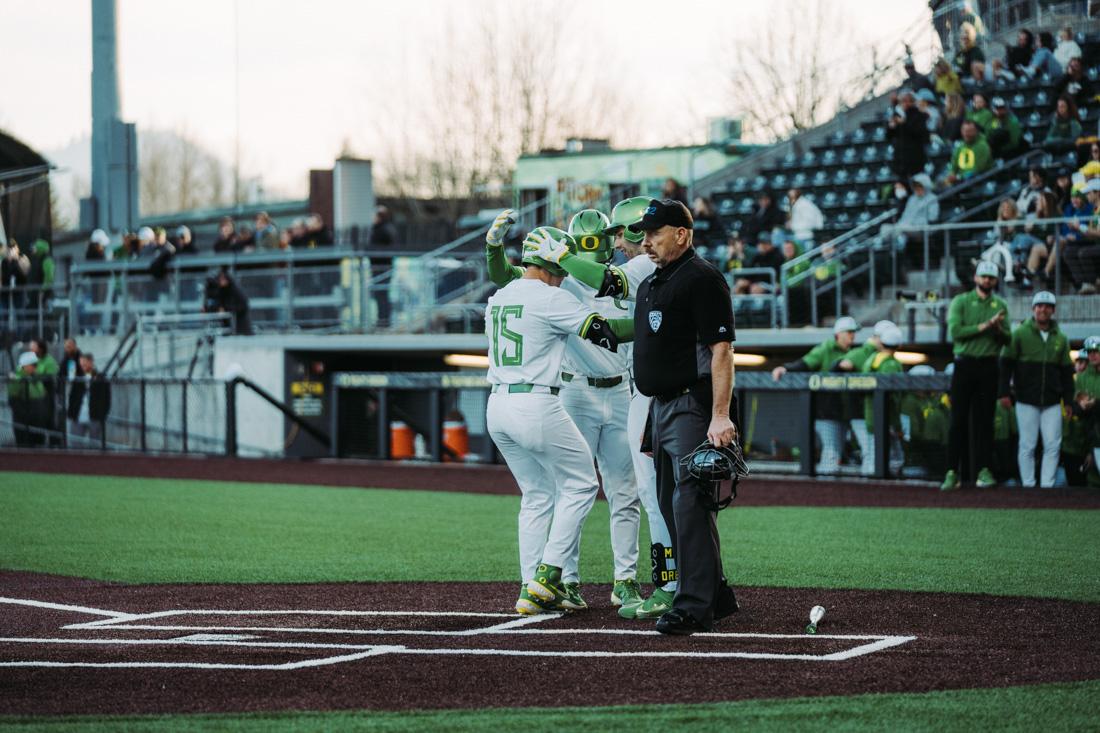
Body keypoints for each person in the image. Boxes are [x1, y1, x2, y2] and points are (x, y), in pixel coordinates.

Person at [484, 208, 642, 615]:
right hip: (547, 397)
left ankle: (532, 584)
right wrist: (658, 323)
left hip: (499, 402)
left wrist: (493, 247)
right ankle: (550, 577)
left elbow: (506, 279)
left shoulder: (501, 298)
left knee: (539, 495)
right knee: (582, 486)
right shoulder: (554, 293)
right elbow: (603, 332)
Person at [534, 195, 683, 620]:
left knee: (642, 494)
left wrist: (561, 253)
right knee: (614, 491)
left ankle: (659, 582)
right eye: (609, 235)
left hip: (635, 391)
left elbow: (608, 284)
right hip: (591, 390)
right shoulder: (633, 269)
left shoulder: (635, 267)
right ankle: (579, 579)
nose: (616, 241)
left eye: (620, 232)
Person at [621, 198, 739, 636]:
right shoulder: (655, 281)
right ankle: (717, 592)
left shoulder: (702, 278)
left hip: (693, 404)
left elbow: (722, 351)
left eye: (654, 233)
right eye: (643, 234)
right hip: (660, 405)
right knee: (673, 504)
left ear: (682, 234)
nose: (645, 241)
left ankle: (693, 606)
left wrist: (719, 415)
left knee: (689, 502)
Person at [942, 261, 1011, 491]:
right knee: (957, 420)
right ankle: (952, 471)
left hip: (989, 366)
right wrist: (986, 326)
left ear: (995, 281)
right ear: (976, 278)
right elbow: (956, 332)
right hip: (964, 365)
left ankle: (984, 470)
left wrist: (998, 329)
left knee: (985, 422)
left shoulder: (1000, 304)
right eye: (984, 277)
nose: (987, 281)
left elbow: (1008, 339)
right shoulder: (961, 301)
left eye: (991, 278)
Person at [998, 291, 1074, 489]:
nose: (1043, 309)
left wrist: (1069, 401)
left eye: (1048, 306)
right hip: (1025, 399)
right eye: (1039, 306)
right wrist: (1003, 392)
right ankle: (1029, 486)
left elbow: (1067, 373)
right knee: (1027, 445)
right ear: (1033, 309)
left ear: (1053, 311)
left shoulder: (1062, 338)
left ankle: (1047, 486)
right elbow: (1005, 364)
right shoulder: (1020, 333)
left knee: (1052, 445)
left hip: (1052, 401)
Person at [772, 316, 860, 473]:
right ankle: (824, 485)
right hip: (825, 411)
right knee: (832, 450)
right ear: (838, 333)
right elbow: (805, 363)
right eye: (849, 332)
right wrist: (786, 368)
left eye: (853, 332)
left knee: (838, 450)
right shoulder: (825, 348)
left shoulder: (853, 352)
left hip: (843, 411)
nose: (852, 335)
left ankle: (831, 483)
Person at [853, 323, 905, 475]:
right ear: (899, 345)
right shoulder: (891, 364)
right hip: (887, 419)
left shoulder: (871, 359)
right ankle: (879, 491)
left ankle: (871, 490)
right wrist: (897, 425)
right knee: (894, 458)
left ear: (881, 343)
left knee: (873, 455)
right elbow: (894, 400)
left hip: (871, 417)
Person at [1066, 336, 1100, 486]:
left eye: (1096, 351)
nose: (1092, 355)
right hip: (1088, 434)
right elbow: (1076, 408)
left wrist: (1096, 403)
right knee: (1092, 480)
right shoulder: (1081, 378)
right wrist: (1081, 406)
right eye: (1090, 352)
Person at [67, 352, 110, 447]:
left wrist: (103, 414)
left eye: (85, 364)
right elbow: (72, 396)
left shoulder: (101, 378)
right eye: (81, 364)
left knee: (95, 446)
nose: (83, 367)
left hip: (94, 415)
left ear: (91, 362)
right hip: (78, 415)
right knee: (75, 444)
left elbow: (106, 398)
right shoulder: (77, 378)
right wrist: (71, 412)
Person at [8, 351, 47, 447]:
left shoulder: (35, 377)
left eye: (36, 364)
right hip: (25, 423)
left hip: (38, 421)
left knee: (39, 448)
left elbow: (42, 395)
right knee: (25, 449)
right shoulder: (17, 379)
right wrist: (25, 415)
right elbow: (13, 400)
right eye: (34, 364)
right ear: (25, 366)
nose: (36, 367)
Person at [888, 90, 929, 179]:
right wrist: (891, 127)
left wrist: (904, 123)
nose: (905, 104)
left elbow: (919, 133)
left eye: (908, 101)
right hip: (900, 158)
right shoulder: (896, 114)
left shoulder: (919, 115)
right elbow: (888, 137)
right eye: (903, 101)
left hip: (915, 157)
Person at [202, 267, 252, 335]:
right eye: (220, 279)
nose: (221, 281)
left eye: (223, 278)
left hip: (240, 326)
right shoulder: (221, 290)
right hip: (228, 326)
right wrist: (207, 308)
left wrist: (226, 309)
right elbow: (217, 305)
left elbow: (243, 305)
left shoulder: (234, 290)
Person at [734, 229, 785, 294]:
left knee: (755, 289)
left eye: (765, 243)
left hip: (771, 284)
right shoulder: (758, 256)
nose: (762, 245)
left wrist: (756, 283)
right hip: (757, 282)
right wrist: (746, 280)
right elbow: (750, 271)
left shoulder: (777, 256)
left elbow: (773, 276)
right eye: (761, 243)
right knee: (739, 285)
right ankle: (738, 304)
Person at [944, 120, 993, 186]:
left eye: (970, 131)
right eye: (964, 131)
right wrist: (952, 174)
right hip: (959, 181)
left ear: (976, 131)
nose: (966, 134)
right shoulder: (960, 146)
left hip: (977, 181)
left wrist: (958, 177)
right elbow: (954, 163)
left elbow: (977, 169)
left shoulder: (982, 146)